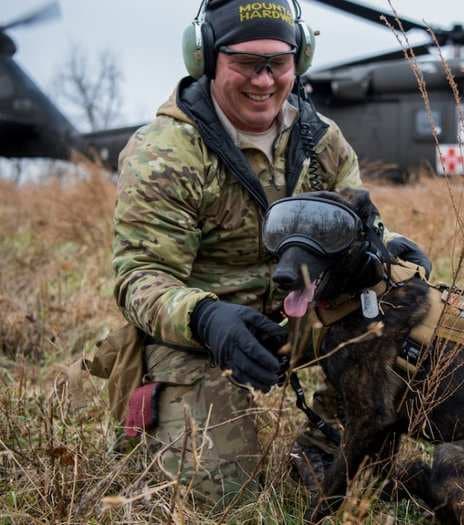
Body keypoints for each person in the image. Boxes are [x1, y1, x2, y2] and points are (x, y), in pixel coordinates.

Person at [108, 0, 431, 508]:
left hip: (301, 318)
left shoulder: (322, 141)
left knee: (412, 313)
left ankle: (326, 444)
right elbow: (140, 278)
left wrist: (381, 247)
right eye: (245, 63)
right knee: (218, 498)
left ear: (298, 61)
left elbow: (347, 231)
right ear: (207, 59)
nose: (264, 81)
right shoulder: (165, 153)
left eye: (277, 63)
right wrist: (207, 318)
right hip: (201, 334)